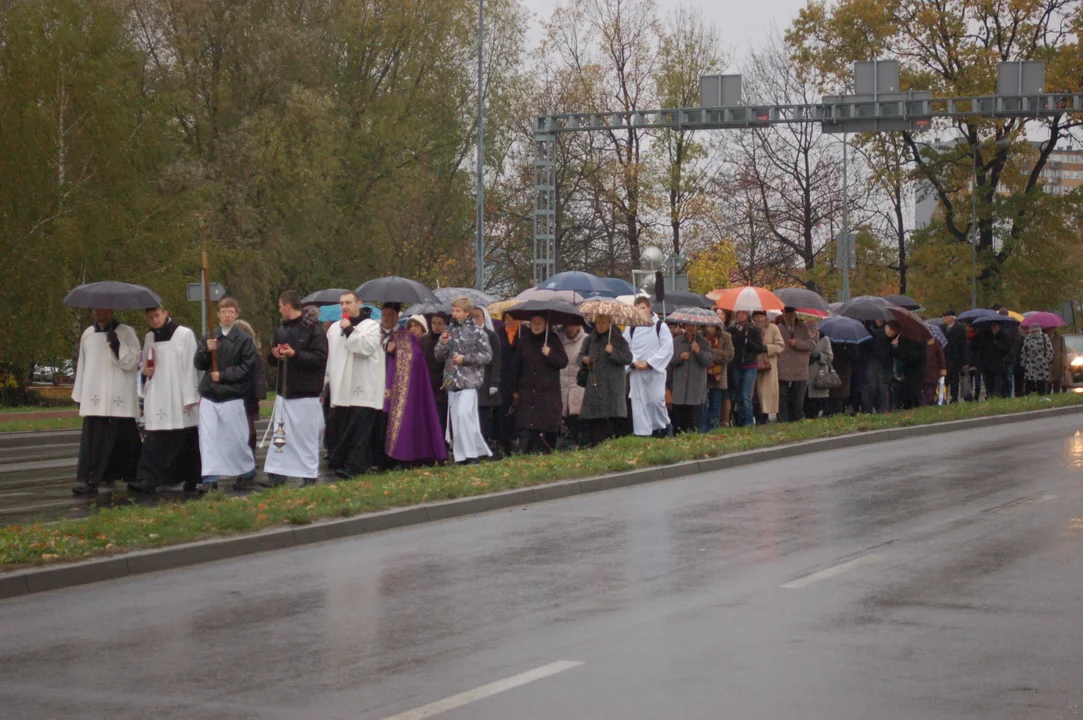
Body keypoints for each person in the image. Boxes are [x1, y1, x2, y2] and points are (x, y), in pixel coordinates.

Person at [128, 305, 201, 494]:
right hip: (158, 393)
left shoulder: (183, 334)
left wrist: (191, 396)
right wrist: (145, 372)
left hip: (178, 393)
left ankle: (192, 478)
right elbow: (146, 365)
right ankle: (148, 478)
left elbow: (190, 366)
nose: (154, 320)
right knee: (154, 438)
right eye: (150, 317)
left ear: (166, 313)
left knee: (184, 437)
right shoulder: (149, 337)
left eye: (157, 316)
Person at [71, 308, 142, 494]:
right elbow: (82, 365)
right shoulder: (88, 334)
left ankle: (133, 476)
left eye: (103, 309)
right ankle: (88, 479)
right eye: (96, 309)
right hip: (95, 394)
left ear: (111, 310)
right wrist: (79, 394)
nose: (99, 313)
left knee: (125, 439)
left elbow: (133, 360)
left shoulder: (126, 332)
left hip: (119, 395)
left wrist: (117, 345)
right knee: (93, 440)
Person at [263, 290, 328, 488]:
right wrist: (275, 355)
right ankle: (277, 475)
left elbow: (319, 359)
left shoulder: (314, 330)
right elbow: (272, 361)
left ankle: (309, 476)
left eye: (280, 306)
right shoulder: (281, 330)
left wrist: (295, 354)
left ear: (288, 306)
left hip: (305, 393)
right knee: (280, 437)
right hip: (284, 393)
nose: (279, 310)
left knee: (305, 438)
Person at [195, 297, 258, 492]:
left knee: (236, 437)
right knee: (208, 437)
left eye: (231, 312)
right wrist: (207, 350)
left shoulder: (244, 340)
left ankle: (246, 472)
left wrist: (222, 375)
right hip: (210, 395)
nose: (227, 315)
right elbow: (198, 363)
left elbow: (246, 368)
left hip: (232, 395)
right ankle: (210, 478)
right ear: (219, 314)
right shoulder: (209, 337)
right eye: (224, 312)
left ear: (237, 314)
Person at [324, 291, 383, 479]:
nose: (344, 306)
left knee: (358, 429)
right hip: (340, 384)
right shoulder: (334, 328)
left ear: (359, 303)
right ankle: (339, 460)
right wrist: (325, 383)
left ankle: (355, 465)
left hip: (363, 384)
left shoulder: (372, 326)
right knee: (338, 426)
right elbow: (330, 357)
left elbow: (365, 348)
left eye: (348, 302)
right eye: (341, 303)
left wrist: (349, 330)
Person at [384, 305, 448, 466]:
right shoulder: (398, 338)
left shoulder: (421, 342)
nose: (413, 329)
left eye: (416, 325)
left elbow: (417, 361)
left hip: (425, 387)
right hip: (402, 386)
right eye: (410, 326)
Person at [435, 297, 492, 464]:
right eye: (453, 310)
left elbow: (486, 355)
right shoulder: (449, 330)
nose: (454, 313)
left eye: (458, 311)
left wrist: (465, 359)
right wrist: (443, 343)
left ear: (467, 313)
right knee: (456, 419)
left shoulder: (477, 332)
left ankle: (472, 453)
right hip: (452, 381)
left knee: (465, 415)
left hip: (469, 380)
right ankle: (462, 455)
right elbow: (439, 355)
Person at [513, 314, 569, 453]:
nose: (536, 326)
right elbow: (516, 367)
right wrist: (515, 389)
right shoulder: (523, 341)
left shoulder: (553, 340)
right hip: (527, 391)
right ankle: (524, 452)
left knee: (545, 425)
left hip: (547, 392)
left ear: (545, 325)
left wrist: (550, 354)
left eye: (540, 323)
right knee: (526, 425)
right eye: (534, 323)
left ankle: (546, 450)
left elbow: (563, 362)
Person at [578, 314, 633, 446]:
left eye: (603, 323)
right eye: (598, 323)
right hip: (594, 384)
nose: (600, 326)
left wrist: (613, 351)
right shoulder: (590, 339)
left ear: (610, 323)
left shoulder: (618, 339)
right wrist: (584, 360)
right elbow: (580, 356)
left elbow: (628, 358)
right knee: (595, 419)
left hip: (612, 386)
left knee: (612, 418)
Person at [624, 296, 674, 437]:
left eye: (643, 308)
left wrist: (650, 363)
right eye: (637, 309)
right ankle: (643, 433)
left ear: (649, 308)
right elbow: (625, 347)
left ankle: (663, 427)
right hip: (637, 371)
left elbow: (667, 348)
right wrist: (633, 362)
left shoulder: (660, 326)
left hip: (655, 371)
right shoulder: (631, 328)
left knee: (656, 400)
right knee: (639, 402)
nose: (640, 312)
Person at [233, 319, 268, 468]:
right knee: (235, 429)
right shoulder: (228, 351)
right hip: (233, 394)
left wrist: (260, 391)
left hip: (248, 395)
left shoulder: (252, 353)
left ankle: (251, 455)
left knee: (250, 429)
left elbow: (259, 373)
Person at [668, 322, 712, 433]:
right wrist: (680, 357)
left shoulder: (704, 342)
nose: (690, 328)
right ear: (684, 326)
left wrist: (699, 351)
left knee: (693, 421)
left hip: (695, 388)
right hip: (679, 386)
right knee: (678, 421)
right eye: (688, 325)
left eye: (693, 325)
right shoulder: (676, 341)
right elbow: (668, 360)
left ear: (697, 326)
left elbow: (708, 361)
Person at [471, 306, 503, 458]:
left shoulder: (491, 335)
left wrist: (494, 383)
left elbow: (496, 361)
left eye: (478, 316)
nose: (475, 319)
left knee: (484, 417)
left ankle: (486, 447)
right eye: (472, 316)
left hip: (486, 381)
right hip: (471, 381)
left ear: (484, 318)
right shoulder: (467, 335)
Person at [775, 307, 815, 422]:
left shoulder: (803, 327)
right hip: (782, 367)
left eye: (791, 314)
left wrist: (797, 343)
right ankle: (782, 420)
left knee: (798, 396)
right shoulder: (778, 328)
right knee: (781, 396)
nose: (789, 317)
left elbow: (811, 345)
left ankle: (796, 419)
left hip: (800, 368)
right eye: (786, 315)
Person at [727, 311, 764, 427]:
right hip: (736, 364)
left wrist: (749, 342)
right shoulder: (731, 329)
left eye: (743, 313)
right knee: (738, 394)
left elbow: (759, 347)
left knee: (745, 394)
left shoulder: (753, 329)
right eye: (739, 313)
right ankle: (739, 421)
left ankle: (748, 422)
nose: (741, 315)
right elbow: (731, 345)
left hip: (750, 364)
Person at [557, 321, 588, 448]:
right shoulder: (560, 340)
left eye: (571, 325)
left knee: (577, 411)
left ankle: (581, 440)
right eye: (567, 325)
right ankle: (574, 439)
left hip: (577, 381)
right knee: (566, 412)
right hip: (563, 380)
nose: (568, 328)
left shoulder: (586, 339)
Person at [420, 312, 450, 439]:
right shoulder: (424, 340)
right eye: (433, 323)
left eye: (439, 323)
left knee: (440, 418)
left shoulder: (448, 339)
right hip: (427, 383)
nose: (436, 326)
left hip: (441, 385)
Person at [701, 324, 734, 431]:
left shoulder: (725, 336)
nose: (709, 328)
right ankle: (703, 428)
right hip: (703, 375)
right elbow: (699, 355)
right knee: (704, 404)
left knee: (716, 404)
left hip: (719, 376)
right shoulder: (699, 336)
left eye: (712, 327)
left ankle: (714, 428)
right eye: (707, 327)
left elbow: (729, 355)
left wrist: (711, 352)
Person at [885, 321, 925, 410]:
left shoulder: (919, 342)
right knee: (905, 390)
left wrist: (908, 357)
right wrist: (895, 347)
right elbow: (897, 354)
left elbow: (920, 355)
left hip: (915, 369)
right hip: (905, 370)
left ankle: (916, 405)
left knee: (914, 390)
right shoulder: (902, 340)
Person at [754, 310, 784, 423]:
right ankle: (756, 416)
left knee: (765, 393)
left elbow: (780, 346)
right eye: (757, 316)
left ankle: (764, 417)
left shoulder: (773, 328)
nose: (759, 319)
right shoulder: (750, 328)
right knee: (754, 393)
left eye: (761, 316)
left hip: (768, 366)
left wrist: (767, 348)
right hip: (753, 364)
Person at [974, 321, 1012, 399]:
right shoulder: (985, 335)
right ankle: (990, 395)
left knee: (997, 382)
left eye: (996, 326)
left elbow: (1007, 349)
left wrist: (998, 344)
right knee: (988, 383)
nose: (994, 328)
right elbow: (977, 346)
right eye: (993, 326)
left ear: (999, 327)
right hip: (986, 364)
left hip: (998, 364)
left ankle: (996, 397)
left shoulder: (1003, 336)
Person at [806, 322, 833, 419]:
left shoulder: (824, 340)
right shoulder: (805, 340)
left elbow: (830, 357)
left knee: (816, 400)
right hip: (806, 374)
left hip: (818, 374)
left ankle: (814, 416)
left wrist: (819, 356)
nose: (812, 333)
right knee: (806, 400)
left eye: (814, 331)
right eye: (810, 331)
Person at [865, 321, 893, 413]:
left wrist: (895, 346)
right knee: (872, 387)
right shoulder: (873, 333)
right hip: (873, 362)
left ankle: (883, 409)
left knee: (882, 387)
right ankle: (870, 408)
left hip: (884, 365)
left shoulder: (891, 339)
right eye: (890, 329)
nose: (891, 332)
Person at [942, 310, 967, 403]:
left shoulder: (960, 329)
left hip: (956, 359)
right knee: (944, 380)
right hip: (944, 358)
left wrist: (965, 361)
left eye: (945, 316)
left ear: (951, 318)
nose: (943, 318)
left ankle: (954, 398)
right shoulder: (941, 328)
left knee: (954, 380)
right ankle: (943, 398)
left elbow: (964, 346)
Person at [1021, 323, 1054, 395]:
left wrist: (1045, 361)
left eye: (1036, 331)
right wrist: (1023, 363)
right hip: (1030, 366)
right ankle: (1029, 398)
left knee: (1041, 385)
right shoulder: (1027, 338)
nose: (1034, 333)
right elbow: (1024, 351)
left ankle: (1041, 396)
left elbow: (1050, 351)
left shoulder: (1044, 337)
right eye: (1033, 331)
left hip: (1041, 366)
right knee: (1029, 385)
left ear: (1039, 330)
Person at [922, 336, 947, 406]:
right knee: (925, 389)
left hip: (933, 371)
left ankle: (929, 403)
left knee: (931, 388)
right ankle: (926, 403)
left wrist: (943, 369)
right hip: (923, 371)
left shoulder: (936, 343)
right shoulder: (921, 342)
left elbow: (941, 357)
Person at [1047, 327, 1070, 392]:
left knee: (1057, 382)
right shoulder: (1043, 338)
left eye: (1052, 328)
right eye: (1048, 328)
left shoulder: (1060, 338)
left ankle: (1057, 396)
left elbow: (1064, 351)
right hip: (1047, 364)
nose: (1050, 329)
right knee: (1047, 384)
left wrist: (1065, 364)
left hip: (1057, 364)